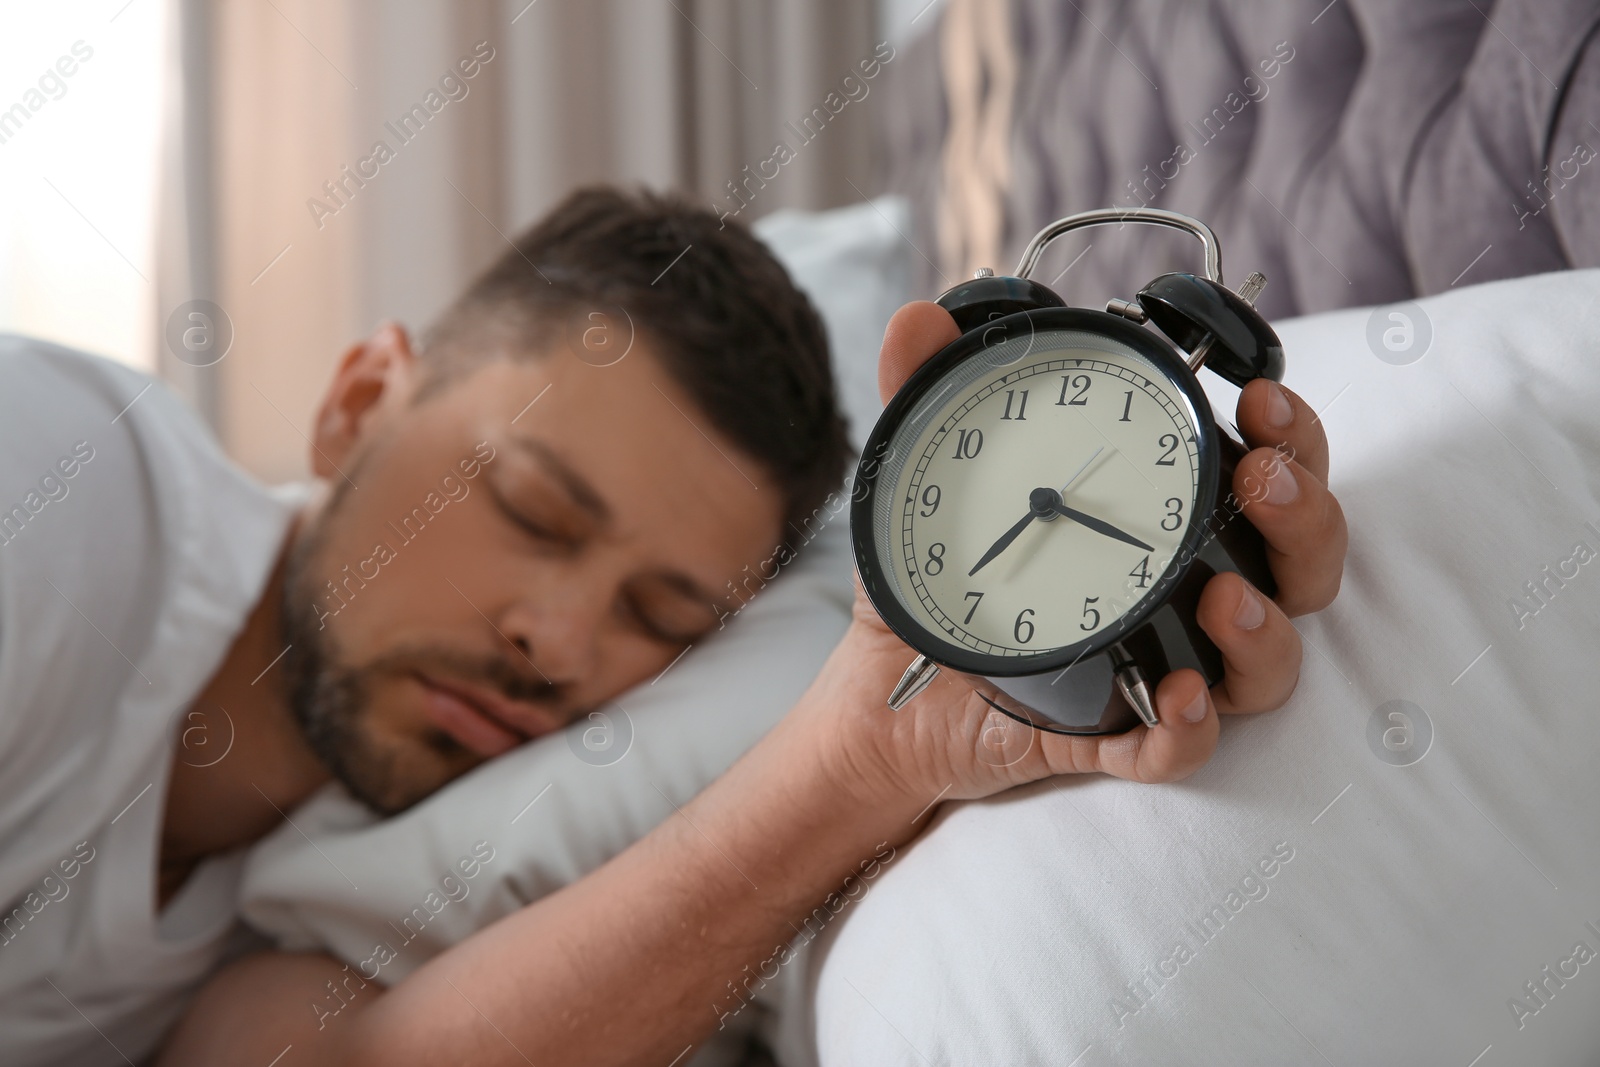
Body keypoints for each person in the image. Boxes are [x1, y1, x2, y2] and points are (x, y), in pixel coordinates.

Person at [0, 187, 1344, 1066]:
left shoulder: (360, 850)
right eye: (528, 507)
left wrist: (873, 755)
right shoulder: (55, 499)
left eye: (663, 615)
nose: (562, 645)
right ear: (360, 402)